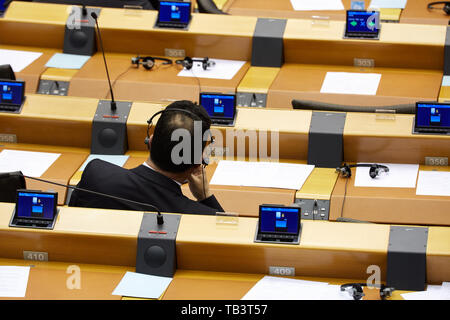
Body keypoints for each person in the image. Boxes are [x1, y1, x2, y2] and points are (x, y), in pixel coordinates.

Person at [69, 100, 224, 215]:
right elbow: (226, 235)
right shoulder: (196, 215)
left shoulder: (96, 173)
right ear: (198, 163)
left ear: (150, 141)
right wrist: (205, 196)